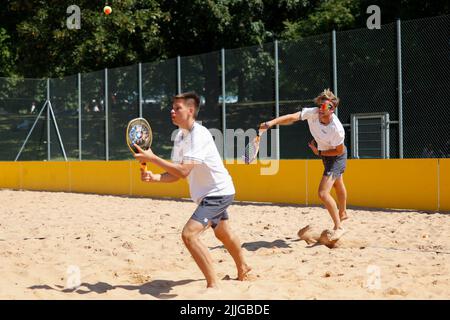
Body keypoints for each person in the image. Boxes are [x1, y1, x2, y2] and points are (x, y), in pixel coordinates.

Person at [133, 91, 251, 289]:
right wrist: (154, 177)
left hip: (217, 192)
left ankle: (213, 285)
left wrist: (153, 159)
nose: (172, 111)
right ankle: (243, 266)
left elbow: (183, 169)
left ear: (190, 110)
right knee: (223, 233)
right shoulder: (180, 137)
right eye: (172, 107)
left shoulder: (199, 135)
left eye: (177, 108)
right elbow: (178, 174)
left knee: (189, 235)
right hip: (212, 192)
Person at [260, 89, 348, 241]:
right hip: (326, 155)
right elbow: (291, 117)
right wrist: (271, 123)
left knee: (323, 193)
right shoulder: (313, 112)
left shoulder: (336, 129)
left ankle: (339, 226)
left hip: (336, 157)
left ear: (332, 109)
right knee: (338, 183)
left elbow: (338, 151)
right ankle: (343, 212)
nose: (320, 110)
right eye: (320, 106)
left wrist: (319, 152)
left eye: (324, 107)